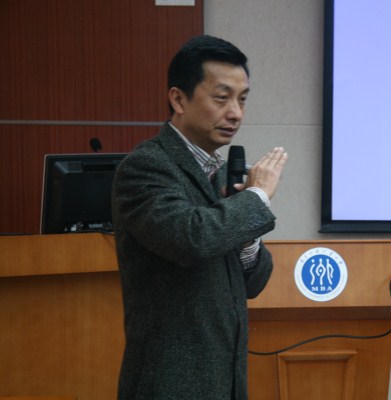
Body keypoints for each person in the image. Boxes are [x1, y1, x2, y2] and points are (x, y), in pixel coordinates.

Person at [112, 35, 288, 400]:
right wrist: (257, 197)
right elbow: (191, 239)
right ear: (178, 100)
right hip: (170, 384)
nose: (236, 113)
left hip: (225, 382)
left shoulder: (220, 174)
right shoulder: (146, 166)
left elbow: (253, 283)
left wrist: (246, 235)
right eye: (222, 98)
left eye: (242, 99)